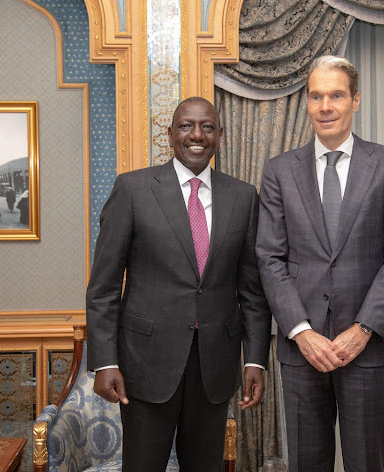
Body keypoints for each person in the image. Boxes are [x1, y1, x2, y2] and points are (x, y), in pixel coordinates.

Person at [86, 96, 271, 472]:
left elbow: (252, 290)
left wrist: (255, 358)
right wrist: (105, 361)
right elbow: (103, 287)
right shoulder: (133, 190)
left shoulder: (243, 197)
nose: (197, 135)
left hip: (214, 369)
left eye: (207, 126)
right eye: (187, 126)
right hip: (145, 365)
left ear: (220, 134)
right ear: (170, 134)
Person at [255, 55, 384, 472]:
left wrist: (363, 330)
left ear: (355, 100)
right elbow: (270, 257)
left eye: (336, 95)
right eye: (316, 96)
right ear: (307, 104)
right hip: (302, 350)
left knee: (367, 462)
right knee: (307, 464)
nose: (325, 106)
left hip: (368, 348)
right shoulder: (279, 171)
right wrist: (301, 331)